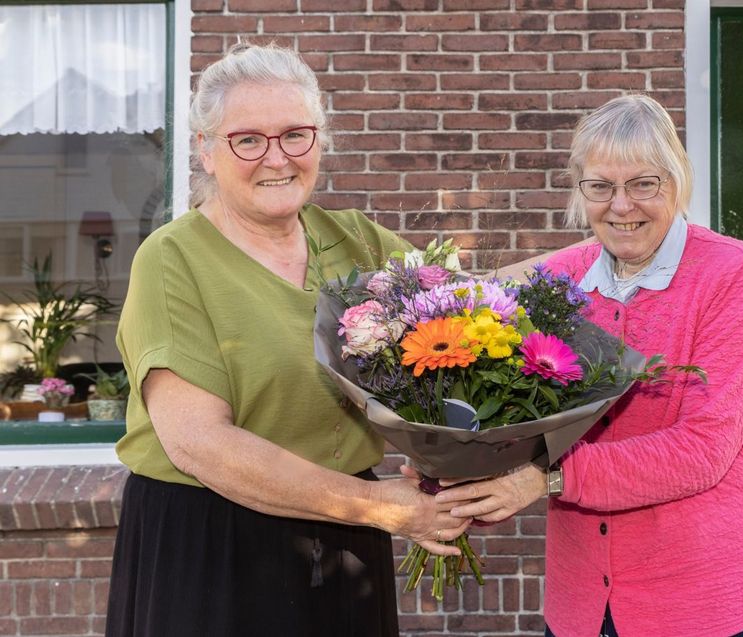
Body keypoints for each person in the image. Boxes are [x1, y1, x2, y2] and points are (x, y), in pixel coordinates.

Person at [105, 43, 470, 637]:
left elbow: (477, 312)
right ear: (206, 150)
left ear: (320, 139)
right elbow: (200, 443)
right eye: (247, 140)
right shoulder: (172, 259)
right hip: (213, 548)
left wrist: (607, 258)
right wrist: (383, 509)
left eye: (295, 135)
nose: (276, 158)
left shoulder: (358, 243)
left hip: (347, 541)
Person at [436, 95, 743, 637]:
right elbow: (462, 327)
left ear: (676, 181)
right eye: (601, 187)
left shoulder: (735, 272)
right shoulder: (559, 279)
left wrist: (544, 480)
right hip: (583, 602)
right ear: (581, 191)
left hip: (708, 599)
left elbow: (702, 449)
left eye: (643, 184)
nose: (621, 206)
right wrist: (453, 463)